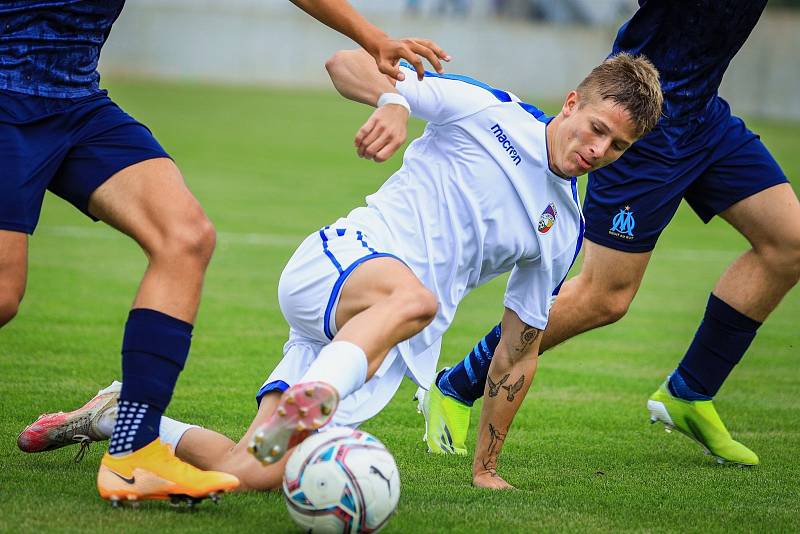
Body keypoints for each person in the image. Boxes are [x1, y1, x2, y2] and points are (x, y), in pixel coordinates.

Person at [17, 47, 663, 491]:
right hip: (340, 266)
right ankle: (318, 394)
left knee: (251, 474)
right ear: (574, 102)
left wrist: (486, 465)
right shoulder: (490, 111)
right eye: (598, 128)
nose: (598, 150)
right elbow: (342, 62)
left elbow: (519, 350)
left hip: (377, 343)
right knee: (418, 299)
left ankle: (121, 415)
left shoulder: (565, 230)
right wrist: (395, 101)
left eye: (618, 146)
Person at [4, 0, 449, 505]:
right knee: (4, 295)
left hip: (76, 102)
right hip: (5, 99)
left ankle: (132, 451)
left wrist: (372, 37)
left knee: (186, 237)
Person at [422, 0, 799, 467]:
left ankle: (691, 391)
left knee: (790, 242)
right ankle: (458, 384)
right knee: (606, 297)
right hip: (638, 128)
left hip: (705, 118)